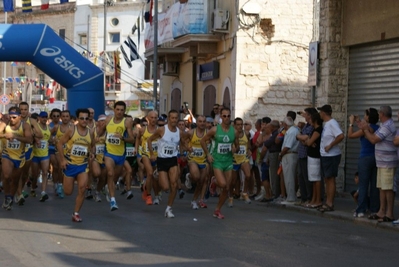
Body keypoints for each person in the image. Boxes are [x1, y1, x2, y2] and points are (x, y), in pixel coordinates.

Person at [57, 108, 95, 222]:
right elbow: (59, 144)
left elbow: (92, 146)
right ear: (77, 119)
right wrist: (62, 160)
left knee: (82, 188)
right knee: (68, 192)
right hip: (70, 164)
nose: (84, 121)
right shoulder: (71, 130)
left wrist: (92, 153)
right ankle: (65, 180)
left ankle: (76, 213)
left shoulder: (91, 132)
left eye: (86, 118)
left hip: (83, 165)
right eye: (81, 118)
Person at [147, 109, 187, 218]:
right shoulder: (161, 130)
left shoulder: (179, 132)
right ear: (168, 119)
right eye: (172, 118)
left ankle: (169, 208)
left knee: (174, 184)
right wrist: (151, 153)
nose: (174, 120)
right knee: (165, 187)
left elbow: (182, 143)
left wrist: (186, 150)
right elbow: (149, 140)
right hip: (162, 160)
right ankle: (157, 174)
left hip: (173, 159)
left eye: (176, 118)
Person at [200, 108, 239, 219]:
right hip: (217, 161)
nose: (226, 118)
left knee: (227, 187)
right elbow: (202, 141)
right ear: (221, 117)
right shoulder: (215, 130)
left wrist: (234, 149)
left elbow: (238, 146)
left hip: (228, 161)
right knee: (222, 184)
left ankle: (217, 210)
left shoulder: (234, 131)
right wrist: (208, 154)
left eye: (228, 116)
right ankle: (215, 181)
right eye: (224, 116)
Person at [361, 105, 397, 222]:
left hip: (388, 162)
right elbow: (374, 136)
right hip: (381, 162)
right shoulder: (384, 125)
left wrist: (365, 129)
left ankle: (389, 213)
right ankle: (381, 211)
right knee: (381, 187)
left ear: (382, 114)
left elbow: (373, 139)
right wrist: (366, 128)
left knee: (388, 188)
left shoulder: (388, 126)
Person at [99, 101, 135, 211]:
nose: (119, 112)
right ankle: (113, 201)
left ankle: (108, 188)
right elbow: (101, 132)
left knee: (114, 177)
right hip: (109, 153)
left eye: (121, 110)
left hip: (120, 154)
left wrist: (123, 138)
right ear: (114, 110)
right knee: (110, 173)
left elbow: (132, 139)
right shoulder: (108, 119)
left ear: (124, 111)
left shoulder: (127, 122)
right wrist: (98, 136)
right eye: (117, 109)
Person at [348, 108, 379, 217]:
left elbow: (350, 135)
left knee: (363, 184)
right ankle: (374, 209)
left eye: (365, 115)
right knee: (375, 185)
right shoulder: (377, 128)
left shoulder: (365, 130)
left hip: (365, 158)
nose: (364, 116)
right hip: (375, 158)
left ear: (368, 117)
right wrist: (358, 120)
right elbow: (366, 127)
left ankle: (361, 209)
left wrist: (351, 124)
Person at [1, 106, 33, 210]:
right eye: (10, 117)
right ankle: (6, 197)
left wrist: (15, 137)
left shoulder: (25, 126)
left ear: (19, 117)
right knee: (6, 176)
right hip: (7, 154)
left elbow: (29, 140)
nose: (12, 119)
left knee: (15, 180)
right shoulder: (5, 124)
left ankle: (10, 197)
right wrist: (5, 135)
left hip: (19, 157)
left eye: (14, 117)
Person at [317, 104, 344, 212]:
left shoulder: (332, 123)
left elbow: (341, 135)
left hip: (331, 155)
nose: (319, 114)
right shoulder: (327, 124)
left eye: (320, 112)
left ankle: (330, 203)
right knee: (327, 179)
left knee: (330, 178)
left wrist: (330, 145)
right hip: (325, 155)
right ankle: (328, 202)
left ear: (323, 113)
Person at [16, 102, 43, 204]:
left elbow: (40, 134)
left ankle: (21, 190)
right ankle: (19, 194)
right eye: (21, 109)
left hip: (28, 150)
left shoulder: (31, 121)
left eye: (25, 109)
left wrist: (33, 132)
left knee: (25, 174)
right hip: (17, 150)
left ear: (28, 110)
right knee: (18, 172)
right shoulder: (15, 120)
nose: (23, 111)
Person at [297, 112, 323, 209]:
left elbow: (309, 142)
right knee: (313, 179)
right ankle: (314, 199)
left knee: (316, 179)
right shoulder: (314, 130)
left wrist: (307, 141)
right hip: (311, 155)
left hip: (315, 156)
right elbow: (306, 140)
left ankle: (317, 200)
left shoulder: (317, 130)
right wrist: (306, 140)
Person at [136, 110, 160, 205]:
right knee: (150, 173)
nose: (153, 119)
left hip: (157, 155)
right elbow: (137, 138)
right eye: (152, 117)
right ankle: (149, 196)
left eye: (155, 118)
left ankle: (156, 195)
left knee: (155, 177)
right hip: (145, 154)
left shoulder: (159, 130)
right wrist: (136, 149)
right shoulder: (143, 130)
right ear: (147, 118)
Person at [185, 115, 209, 209]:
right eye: (200, 121)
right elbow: (183, 142)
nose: (202, 123)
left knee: (201, 181)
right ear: (197, 122)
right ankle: (190, 176)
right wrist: (188, 148)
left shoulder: (208, 134)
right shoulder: (191, 133)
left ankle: (194, 200)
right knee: (196, 177)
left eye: (204, 121)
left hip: (203, 159)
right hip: (193, 159)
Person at [229, 117, 252, 207]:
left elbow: (248, 144)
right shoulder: (231, 135)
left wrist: (249, 149)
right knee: (233, 181)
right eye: (237, 125)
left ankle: (244, 192)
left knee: (248, 175)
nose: (239, 126)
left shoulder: (246, 133)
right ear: (234, 125)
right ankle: (230, 197)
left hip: (243, 158)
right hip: (234, 160)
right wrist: (232, 149)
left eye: (241, 124)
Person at [279, 116, 299, 204]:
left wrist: (281, 154)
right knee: (288, 176)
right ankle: (290, 196)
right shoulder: (291, 131)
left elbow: (287, 146)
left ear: (285, 124)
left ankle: (291, 197)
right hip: (289, 155)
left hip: (290, 154)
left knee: (289, 176)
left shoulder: (292, 131)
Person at [31, 111, 51, 202]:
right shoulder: (35, 127)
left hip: (44, 154)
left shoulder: (48, 128)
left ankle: (43, 192)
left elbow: (49, 139)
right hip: (35, 154)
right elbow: (31, 136)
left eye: (46, 117)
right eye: (42, 117)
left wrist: (54, 140)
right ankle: (33, 188)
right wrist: (36, 140)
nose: (44, 118)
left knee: (45, 172)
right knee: (35, 174)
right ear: (39, 118)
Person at [91, 115, 107, 202]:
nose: (103, 123)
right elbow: (89, 144)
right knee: (97, 173)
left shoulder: (108, 132)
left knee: (103, 177)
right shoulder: (93, 131)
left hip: (104, 157)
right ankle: (92, 179)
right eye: (101, 121)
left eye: (105, 121)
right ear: (98, 122)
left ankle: (97, 192)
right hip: (95, 156)